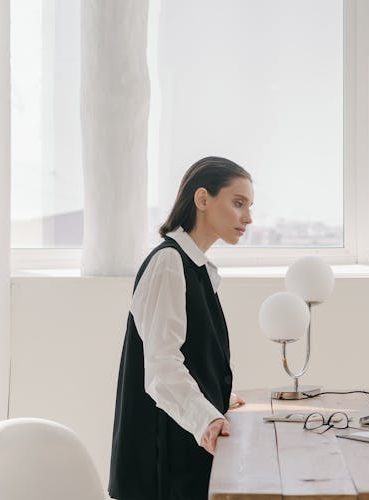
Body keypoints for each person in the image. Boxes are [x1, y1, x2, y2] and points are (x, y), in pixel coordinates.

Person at [109, 156, 254, 499]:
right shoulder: (169, 263)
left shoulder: (198, 268)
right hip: (162, 463)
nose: (248, 218)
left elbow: (190, 355)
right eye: (238, 203)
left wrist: (218, 398)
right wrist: (207, 418)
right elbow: (162, 368)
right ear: (202, 199)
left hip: (182, 449)